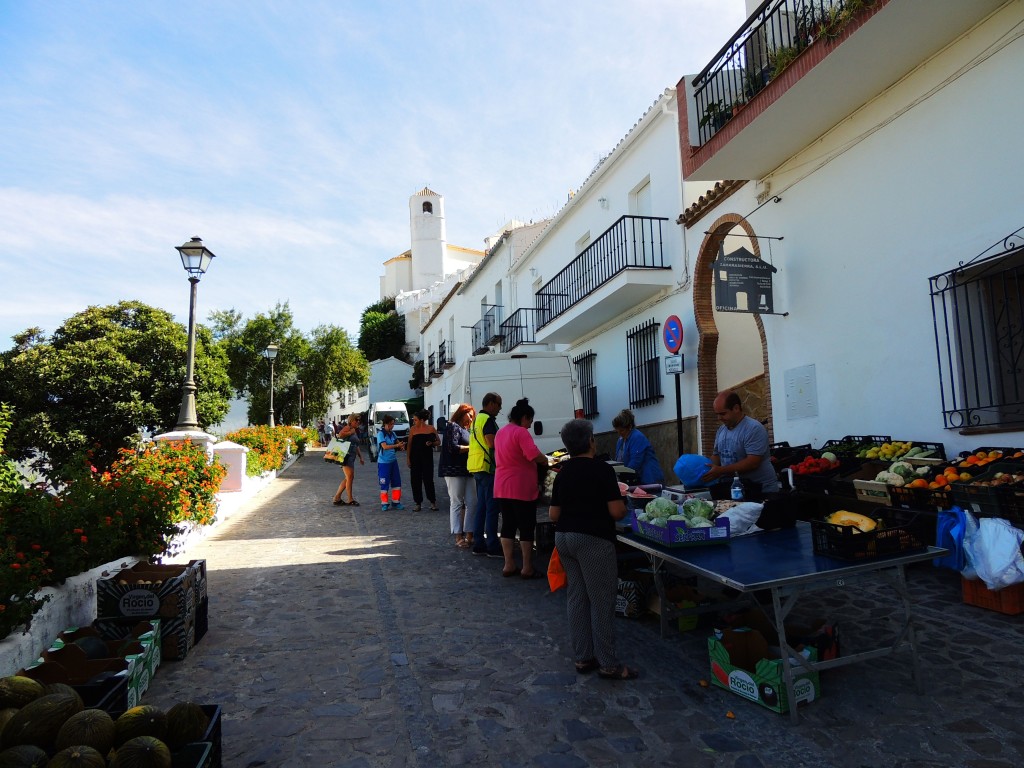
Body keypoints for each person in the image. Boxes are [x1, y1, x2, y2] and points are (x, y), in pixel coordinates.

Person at [549, 419, 638, 680]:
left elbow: (554, 514)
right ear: (590, 441)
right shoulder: (602, 470)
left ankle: (583, 657)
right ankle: (609, 663)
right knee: (601, 601)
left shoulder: (563, 473)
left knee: (577, 597)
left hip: (564, 538)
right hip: (593, 540)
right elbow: (617, 511)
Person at [494, 398, 549, 578]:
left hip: (502, 485)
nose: (531, 425)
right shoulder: (521, 432)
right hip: (521, 486)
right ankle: (527, 568)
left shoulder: (501, 432)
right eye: (530, 420)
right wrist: (546, 460)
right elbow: (533, 454)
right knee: (526, 526)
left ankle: (508, 565)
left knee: (508, 525)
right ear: (524, 417)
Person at [700, 390, 780, 496]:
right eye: (717, 414)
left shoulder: (753, 428)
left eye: (723, 414)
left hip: (761, 491)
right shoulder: (721, 430)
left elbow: (753, 462)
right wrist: (704, 469)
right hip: (735, 490)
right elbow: (716, 456)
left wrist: (721, 471)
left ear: (736, 408)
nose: (719, 418)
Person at [468, 392, 503, 557]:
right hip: (488, 467)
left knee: (481, 507)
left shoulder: (476, 420)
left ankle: (478, 544)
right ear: (491, 404)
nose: (500, 408)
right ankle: (492, 546)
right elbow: (491, 442)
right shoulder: (487, 420)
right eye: (499, 404)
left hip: (476, 467)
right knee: (492, 508)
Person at [439, 404, 475, 548]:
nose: (471, 419)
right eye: (469, 415)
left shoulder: (466, 430)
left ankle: (470, 533)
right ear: (462, 413)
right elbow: (452, 448)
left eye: (473, 416)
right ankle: (458, 536)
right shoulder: (453, 426)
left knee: (473, 502)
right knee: (457, 502)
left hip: (468, 470)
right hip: (454, 471)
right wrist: (472, 448)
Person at [612, 409, 665, 486]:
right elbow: (618, 460)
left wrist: (623, 476)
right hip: (636, 480)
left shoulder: (637, 437)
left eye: (622, 430)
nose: (619, 434)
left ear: (630, 427)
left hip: (650, 479)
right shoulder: (620, 440)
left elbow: (635, 461)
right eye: (617, 431)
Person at [407, 410, 440, 512]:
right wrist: (408, 458)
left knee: (428, 480)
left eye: (416, 420)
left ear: (422, 420)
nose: (414, 422)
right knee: (415, 480)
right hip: (415, 458)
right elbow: (409, 445)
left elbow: (438, 442)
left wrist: (432, 443)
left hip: (427, 458)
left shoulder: (431, 429)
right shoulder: (412, 430)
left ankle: (432, 501)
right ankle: (418, 503)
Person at [332, 413, 365, 506]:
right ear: (351, 421)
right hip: (346, 456)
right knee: (350, 477)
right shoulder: (348, 428)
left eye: (359, 420)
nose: (358, 422)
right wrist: (351, 432)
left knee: (348, 477)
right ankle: (350, 499)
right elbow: (340, 434)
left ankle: (337, 498)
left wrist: (360, 457)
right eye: (356, 420)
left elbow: (356, 445)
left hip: (351, 456)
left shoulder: (354, 429)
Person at [376, 414, 407, 510]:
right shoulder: (381, 434)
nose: (392, 426)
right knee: (384, 483)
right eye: (391, 424)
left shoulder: (392, 434)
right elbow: (384, 446)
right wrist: (396, 446)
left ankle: (396, 502)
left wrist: (401, 445)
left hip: (393, 461)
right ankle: (384, 503)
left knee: (396, 482)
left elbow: (397, 442)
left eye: (393, 424)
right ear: (386, 424)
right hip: (384, 462)